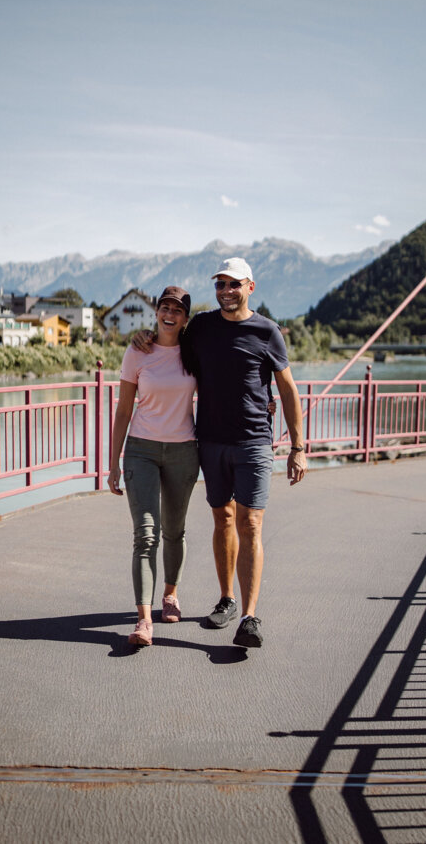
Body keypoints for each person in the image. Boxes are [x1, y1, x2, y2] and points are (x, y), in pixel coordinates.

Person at [132, 258, 307, 648]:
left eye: (233, 284)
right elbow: (169, 340)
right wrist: (143, 336)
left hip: (254, 442)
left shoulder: (267, 331)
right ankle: (226, 599)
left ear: (250, 287)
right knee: (223, 518)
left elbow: (289, 389)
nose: (225, 291)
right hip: (210, 441)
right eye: (220, 285)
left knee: (251, 523)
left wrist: (298, 447)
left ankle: (249, 616)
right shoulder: (203, 327)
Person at [107, 286, 198, 647]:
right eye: (165, 307)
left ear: (186, 318)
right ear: (156, 311)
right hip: (141, 450)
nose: (170, 313)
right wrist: (112, 462)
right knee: (146, 535)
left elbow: (224, 387)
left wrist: (260, 401)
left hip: (183, 451)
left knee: (174, 530)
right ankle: (144, 620)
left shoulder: (196, 353)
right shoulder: (137, 350)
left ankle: (170, 595)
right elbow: (124, 410)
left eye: (177, 309)